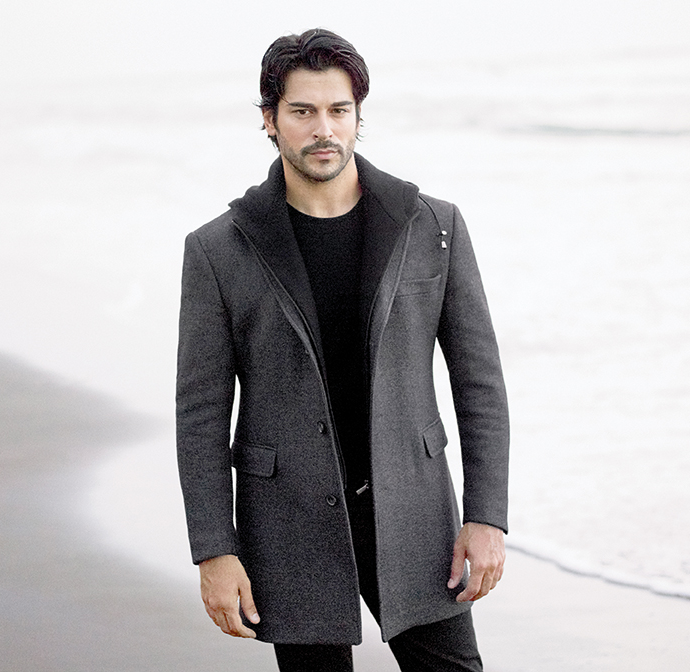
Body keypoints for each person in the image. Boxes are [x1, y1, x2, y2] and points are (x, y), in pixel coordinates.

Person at [176, 28, 509, 672]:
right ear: (269, 119)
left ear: (359, 116)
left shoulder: (433, 226)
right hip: (289, 521)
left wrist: (487, 517)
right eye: (302, 111)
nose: (323, 129)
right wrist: (215, 550)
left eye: (339, 110)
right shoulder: (218, 249)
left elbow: (480, 384)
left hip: (414, 515)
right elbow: (200, 415)